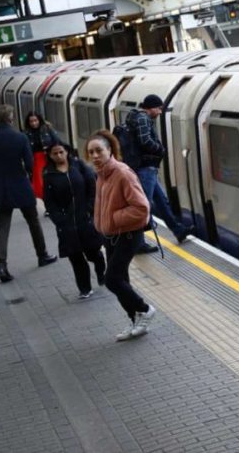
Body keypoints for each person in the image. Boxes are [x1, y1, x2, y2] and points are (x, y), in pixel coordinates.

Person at [0, 104, 57, 282]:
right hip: (20, 185)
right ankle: (42, 255)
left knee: (2, 227)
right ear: (10, 118)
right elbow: (31, 165)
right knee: (33, 221)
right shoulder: (20, 138)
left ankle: (1, 266)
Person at [87, 130, 157, 341]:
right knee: (121, 279)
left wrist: (113, 218)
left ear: (110, 150)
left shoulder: (122, 173)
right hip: (111, 236)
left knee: (112, 279)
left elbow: (141, 208)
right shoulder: (101, 174)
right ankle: (135, 320)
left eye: (99, 150)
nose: (95, 155)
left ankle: (144, 310)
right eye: (91, 152)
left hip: (127, 235)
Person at [124, 94, 194, 251]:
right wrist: (160, 150)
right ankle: (138, 243)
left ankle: (179, 231)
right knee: (144, 206)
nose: (160, 112)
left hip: (148, 168)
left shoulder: (138, 117)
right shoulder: (143, 118)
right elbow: (145, 141)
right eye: (158, 108)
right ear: (150, 107)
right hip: (145, 168)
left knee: (162, 202)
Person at [44, 141, 106, 299]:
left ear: (67, 152)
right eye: (55, 154)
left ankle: (101, 271)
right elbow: (49, 202)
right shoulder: (49, 175)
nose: (58, 156)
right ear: (50, 156)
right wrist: (59, 220)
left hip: (85, 219)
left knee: (93, 253)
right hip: (67, 225)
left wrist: (89, 209)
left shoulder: (79, 166)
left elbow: (93, 187)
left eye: (61, 152)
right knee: (76, 257)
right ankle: (85, 288)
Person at [25, 112, 60, 200]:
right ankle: (47, 202)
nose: (34, 123)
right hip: (36, 160)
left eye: (35, 120)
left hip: (48, 158)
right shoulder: (26, 133)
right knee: (40, 184)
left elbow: (56, 141)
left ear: (39, 120)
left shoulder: (47, 129)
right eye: (31, 121)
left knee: (51, 181)